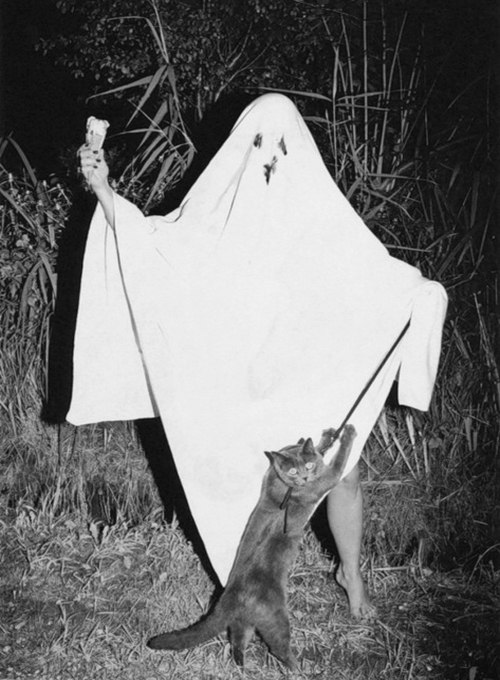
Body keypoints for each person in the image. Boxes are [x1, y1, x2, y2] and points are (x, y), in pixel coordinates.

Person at [75, 94, 446, 620]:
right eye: (257, 142)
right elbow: (155, 245)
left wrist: (420, 293)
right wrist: (103, 189)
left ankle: (351, 573)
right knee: (240, 479)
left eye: (282, 145)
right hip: (245, 378)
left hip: (306, 373)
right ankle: (248, 581)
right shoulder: (219, 217)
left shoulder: (317, 218)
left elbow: (372, 271)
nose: (270, 158)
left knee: (344, 474)